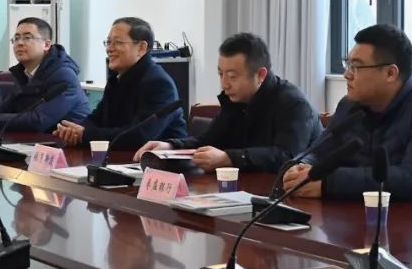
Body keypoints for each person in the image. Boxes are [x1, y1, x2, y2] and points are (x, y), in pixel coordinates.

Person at [282, 24, 412, 209]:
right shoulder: (350, 106)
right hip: (388, 217)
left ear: (390, 73)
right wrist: (301, 167)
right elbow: (321, 150)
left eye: (356, 67)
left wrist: (328, 182)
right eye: (347, 64)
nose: (347, 74)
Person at [133, 33, 322, 172]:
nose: (224, 84)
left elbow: (286, 156)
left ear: (260, 75)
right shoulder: (235, 100)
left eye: (232, 76)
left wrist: (229, 158)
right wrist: (171, 146)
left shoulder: (293, 104)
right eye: (220, 74)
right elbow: (209, 141)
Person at [53, 17, 186, 150]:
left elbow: (139, 136)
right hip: (119, 157)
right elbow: (97, 118)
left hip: (158, 160)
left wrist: (85, 134)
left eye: (118, 42)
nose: (109, 49)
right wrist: (74, 132)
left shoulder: (159, 83)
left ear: (141, 48)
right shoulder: (117, 79)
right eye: (108, 42)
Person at [0, 17, 90, 133]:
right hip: (36, 140)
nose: (20, 43)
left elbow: (39, 120)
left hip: (69, 145)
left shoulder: (63, 76)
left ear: (46, 45)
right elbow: (9, 109)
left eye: (27, 38)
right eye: (16, 38)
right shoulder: (23, 73)